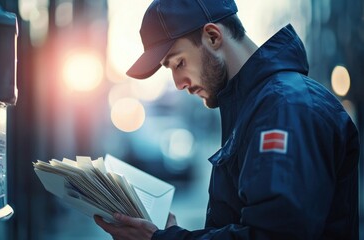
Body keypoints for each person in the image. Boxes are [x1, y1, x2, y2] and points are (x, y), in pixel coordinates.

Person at [94, 0, 360, 239]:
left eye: (179, 64)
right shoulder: (258, 107)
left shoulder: (284, 107)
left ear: (212, 36)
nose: (178, 84)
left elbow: (273, 235)